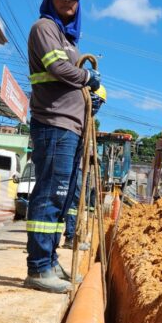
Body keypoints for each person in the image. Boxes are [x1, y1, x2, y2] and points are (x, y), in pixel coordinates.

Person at [24, 0, 102, 293]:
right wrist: (87, 78)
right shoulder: (44, 28)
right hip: (54, 123)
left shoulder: (67, 39)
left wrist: (89, 95)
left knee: (63, 196)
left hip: (71, 127)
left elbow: (68, 71)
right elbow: (57, 67)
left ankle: (50, 260)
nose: (68, 0)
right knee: (50, 194)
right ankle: (38, 267)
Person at [61, 85, 105, 251]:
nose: (98, 106)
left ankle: (71, 236)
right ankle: (71, 237)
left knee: (74, 202)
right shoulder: (82, 119)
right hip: (77, 168)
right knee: (74, 203)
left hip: (79, 168)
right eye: (99, 102)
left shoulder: (86, 119)